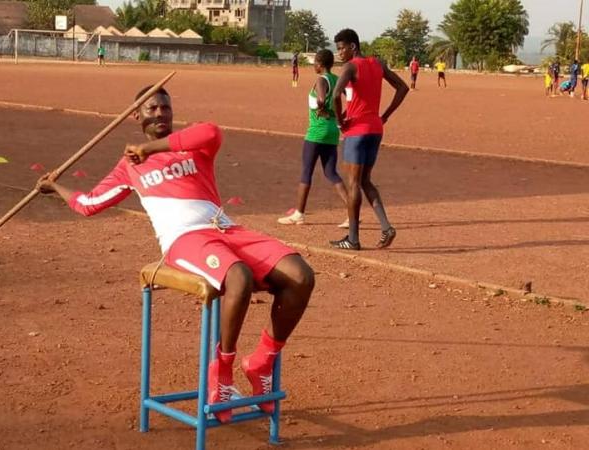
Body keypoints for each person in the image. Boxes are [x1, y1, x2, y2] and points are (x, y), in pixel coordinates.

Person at [36, 86, 315, 424]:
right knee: (237, 278)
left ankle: (261, 361)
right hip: (184, 240)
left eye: (165, 108)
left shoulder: (192, 144)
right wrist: (56, 188)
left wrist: (148, 148)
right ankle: (222, 373)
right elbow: (88, 205)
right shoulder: (128, 168)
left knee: (301, 275)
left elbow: (211, 131)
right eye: (152, 109)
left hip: (224, 229)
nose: (160, 114)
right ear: (136, 116)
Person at [329, 28, 409, 250]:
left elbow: (336, 94)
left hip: (356, 131)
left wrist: (339, 122)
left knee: (353, 183)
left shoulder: (351, 66)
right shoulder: (378, 64)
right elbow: (402, 87)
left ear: (353, 46)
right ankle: (386, 227)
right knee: (365, 181)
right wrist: (385, 115)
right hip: (375, 128)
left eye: (342, 48)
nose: (340, 54)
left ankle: (353, 238)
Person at [278, 49, 351, 229]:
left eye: (314, 63)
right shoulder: (336, 79)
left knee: (306, 172)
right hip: (333, 130)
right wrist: (339, 116)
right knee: (331, 173)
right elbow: (351, 99)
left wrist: (322, 106)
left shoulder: (321, 79)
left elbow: (320, 98)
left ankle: (299, 214)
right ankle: (352, 213)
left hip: (317, 131)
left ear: (319, 64)